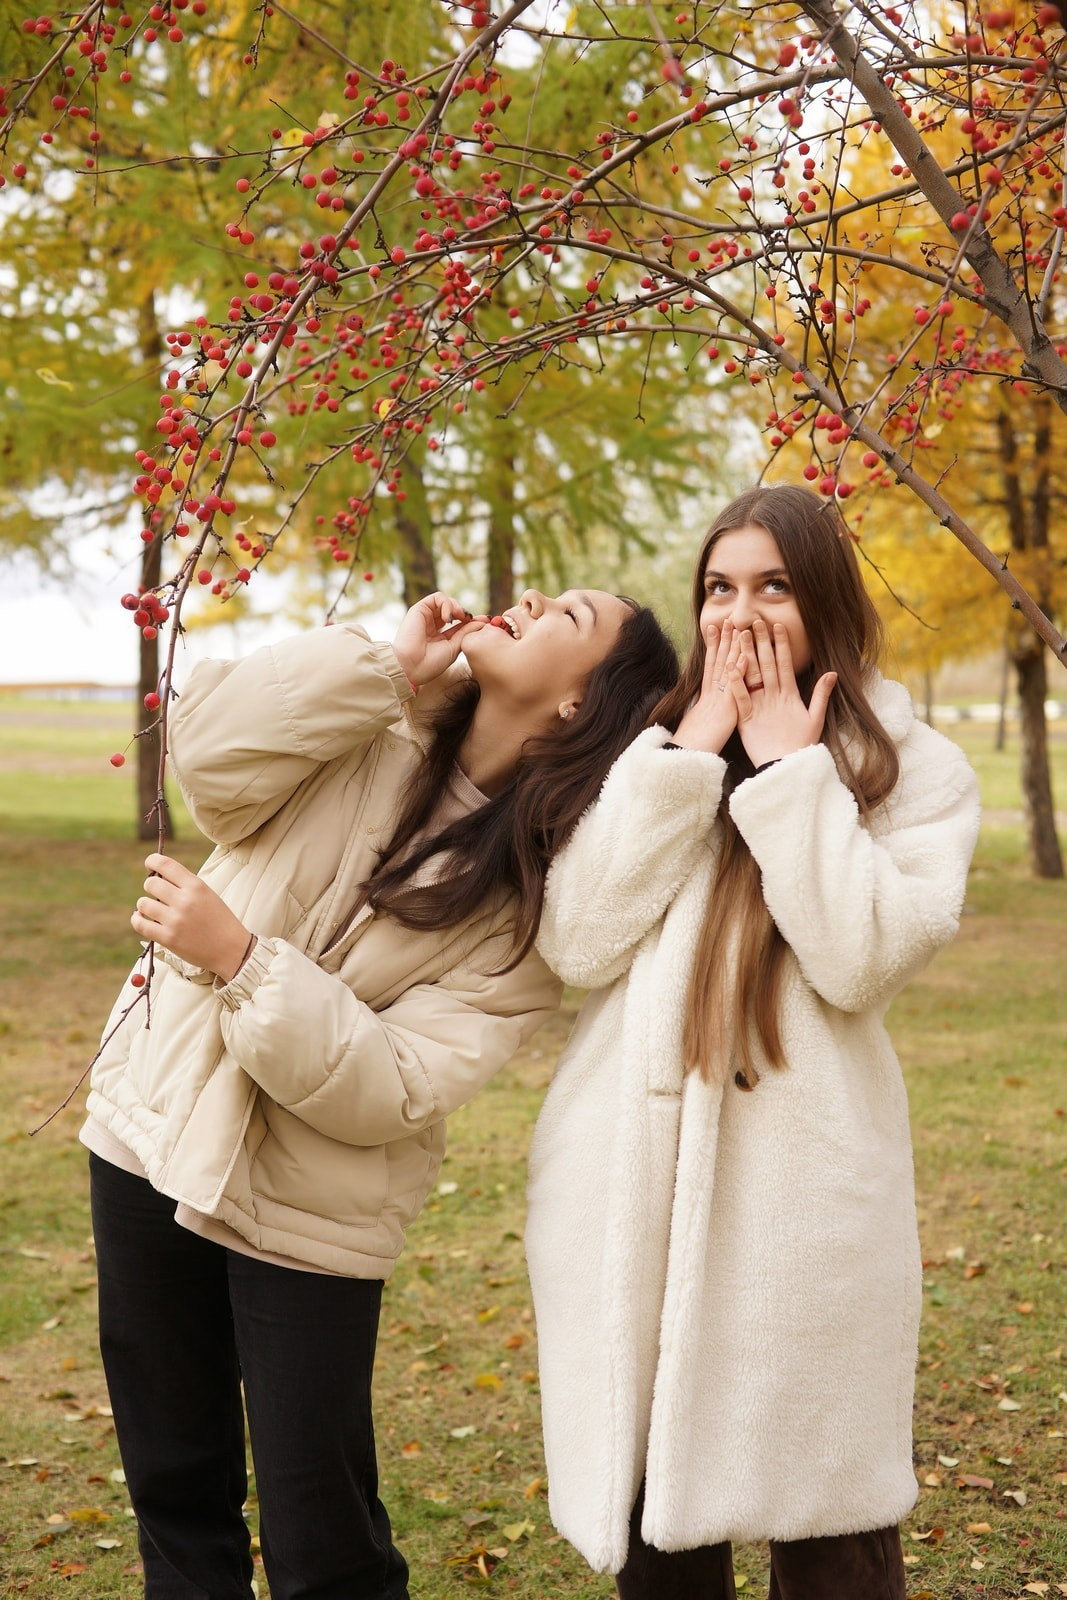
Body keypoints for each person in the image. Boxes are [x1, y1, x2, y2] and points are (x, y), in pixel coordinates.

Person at [81, 586, 678, 1600]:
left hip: (310, 1213)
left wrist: (240, 959)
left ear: (579, 706)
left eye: (565, 615)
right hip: (150, 1124)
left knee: (324, 1536)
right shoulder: (367, 717)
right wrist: (382, 668)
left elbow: (394, 1086)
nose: (527, 599)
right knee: (176, 1492)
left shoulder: (532, 907)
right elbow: (211, 759)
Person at [525, 485, 981, 1600]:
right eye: (718, 587)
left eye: (773, 585)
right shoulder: (657, 753)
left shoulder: (914, 773)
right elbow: (575, 941)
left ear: (823, 600)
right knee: (655, 1538)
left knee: (828, 1536)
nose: (742, 613)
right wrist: (694, 754)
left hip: (799, 1213)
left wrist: (788, 774)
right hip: (627, 1195)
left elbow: (861, 958)